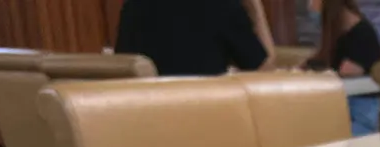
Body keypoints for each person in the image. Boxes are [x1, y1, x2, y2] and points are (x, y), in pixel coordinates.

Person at [116, 0, 276, 77]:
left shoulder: (133, 5)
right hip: (204, 118)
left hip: (143, 120)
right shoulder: (221, 5)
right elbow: (265, 74)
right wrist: (255, 7)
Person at [303, 0, 380, 136]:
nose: (310, 6)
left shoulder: (362, 34)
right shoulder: (338, 35)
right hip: (342, 113)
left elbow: (343, 73)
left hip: (361, 118)